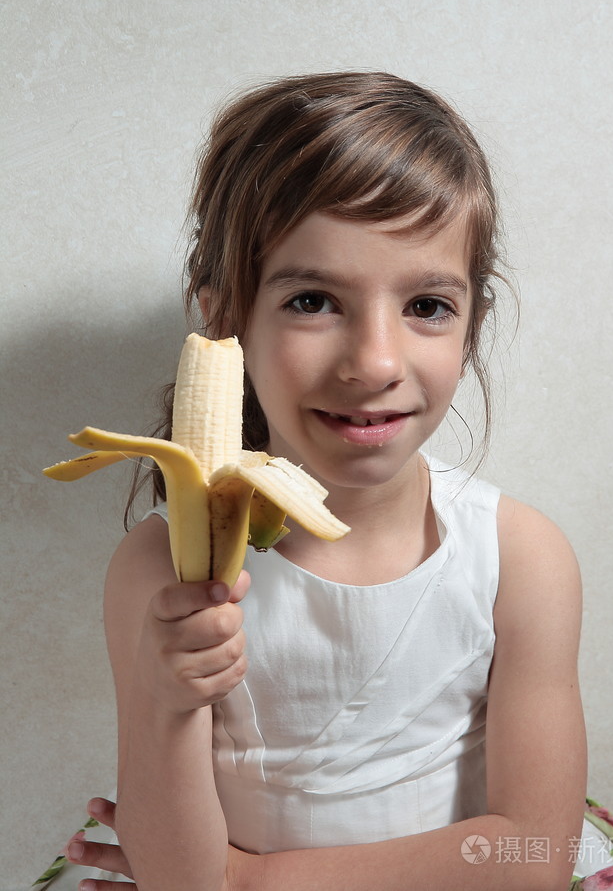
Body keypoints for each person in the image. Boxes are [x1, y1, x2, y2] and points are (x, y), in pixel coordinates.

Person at [63, 71, 586, 891]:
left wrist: (253, 881)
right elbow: (178, 878)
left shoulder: (519, 558)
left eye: (428, 306)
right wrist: (168, 706)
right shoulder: (163, 575)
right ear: (226, 318)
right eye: (313, 299)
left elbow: (533, 858)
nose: (375, 362)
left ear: (473, 323)